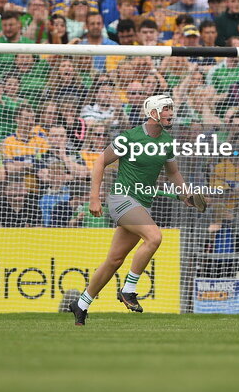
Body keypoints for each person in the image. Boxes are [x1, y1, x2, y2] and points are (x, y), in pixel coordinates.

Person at [69, 94, 203, 325]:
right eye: (166, 109)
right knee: (154, 237)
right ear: (153, 113)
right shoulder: (129, 138)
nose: (171, 113)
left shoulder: (167, 142)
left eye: (171, 108)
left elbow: (173, 173)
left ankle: (81, 303)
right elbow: (100, 162)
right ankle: (128, 290)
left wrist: (186, 193)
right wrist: (94, 198)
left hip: (141, 203)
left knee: (115, 259)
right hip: (121, 198)